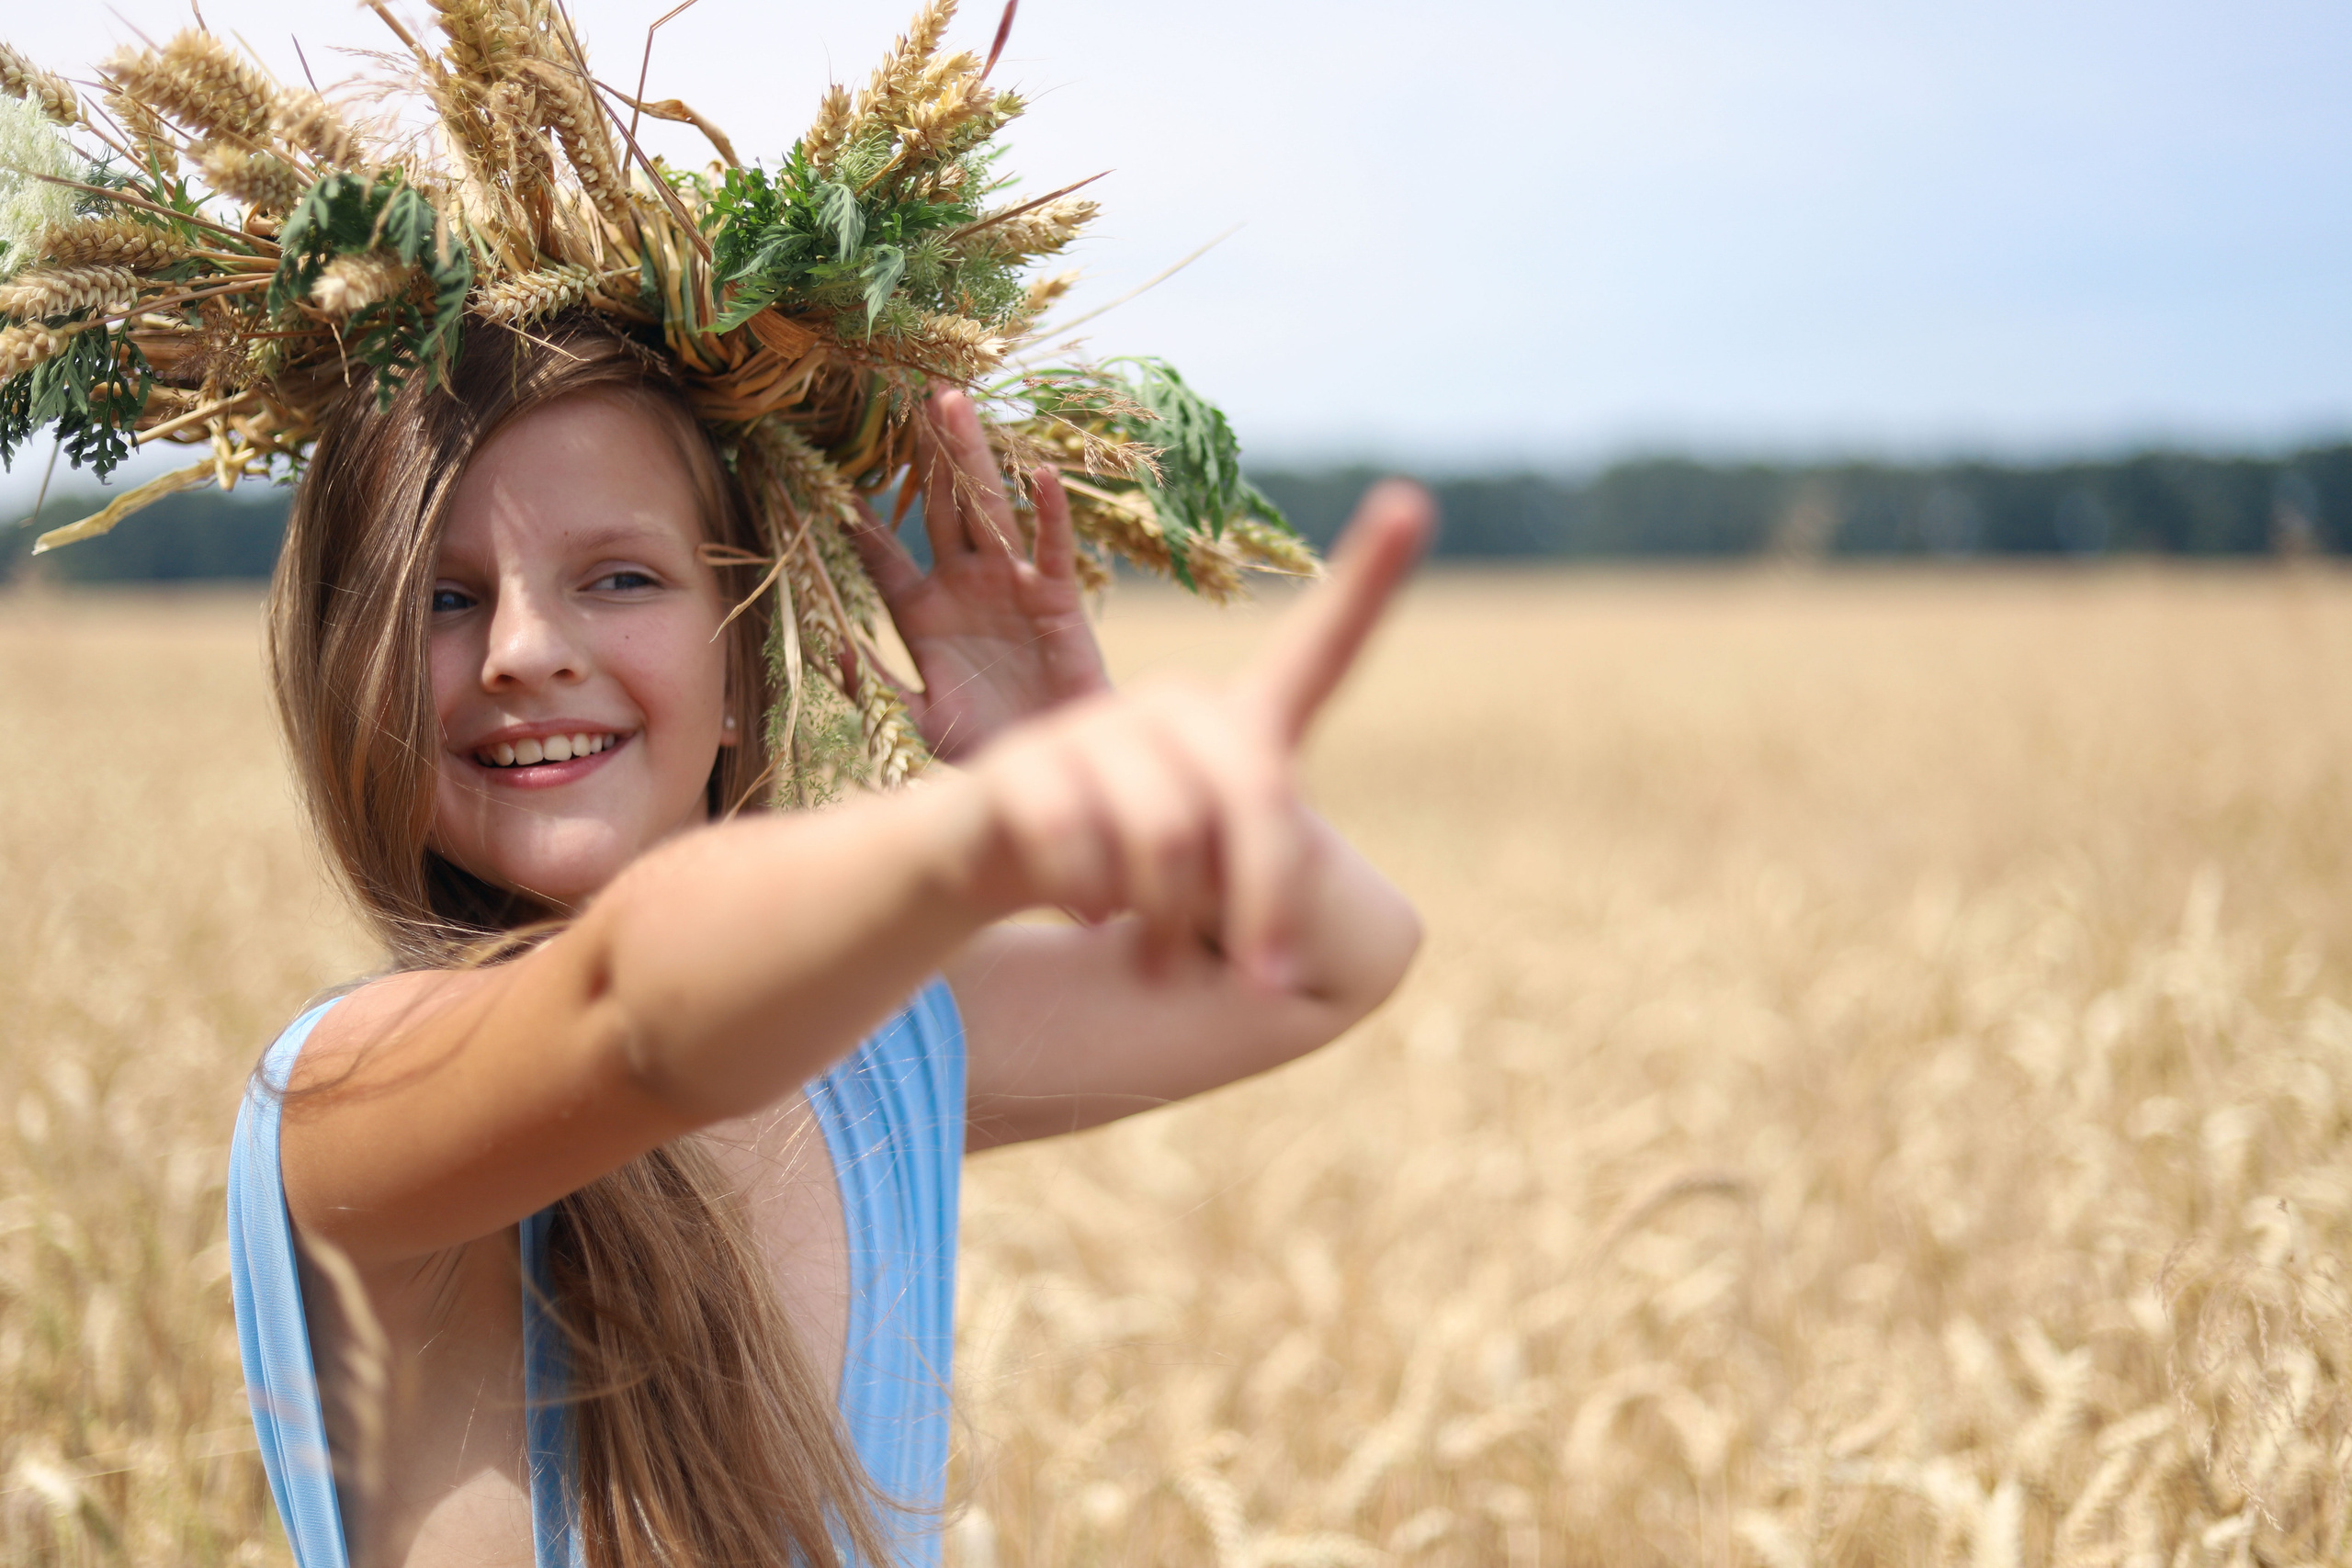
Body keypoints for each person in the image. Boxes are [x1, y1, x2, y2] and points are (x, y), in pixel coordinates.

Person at [226, 317, 1430, 1568]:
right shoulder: (346, 1102)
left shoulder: (883, 1039)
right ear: (351, 679)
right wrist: (982, 833)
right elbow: (636, 1014)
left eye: (621, 579)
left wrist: (1105, 790)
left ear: (747, 652)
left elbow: (1333, 962)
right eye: (444, 599)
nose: (525, 651)